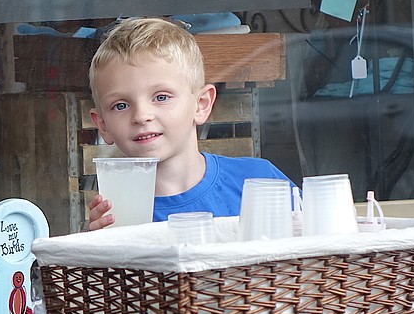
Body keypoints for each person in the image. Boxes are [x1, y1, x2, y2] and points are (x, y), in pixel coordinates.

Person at [86, 17, 295, 230]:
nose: (141, 116)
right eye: (120, 105)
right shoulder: (115, 216)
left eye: (161, 97)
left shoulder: (260, 181)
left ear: (201, 104)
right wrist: (91, 247)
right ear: (103, 125)